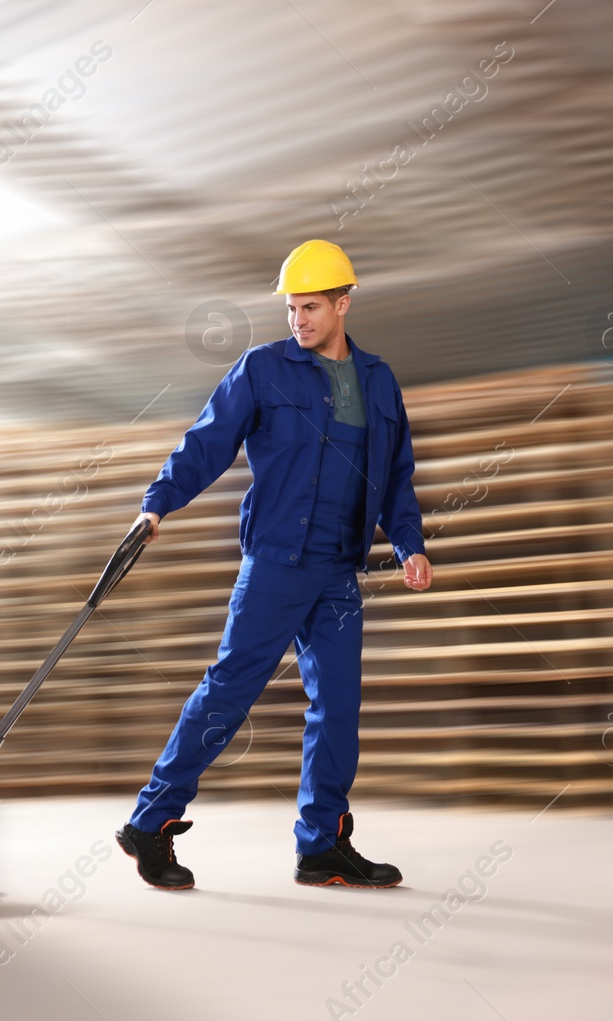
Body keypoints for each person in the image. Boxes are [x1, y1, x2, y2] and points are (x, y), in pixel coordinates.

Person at [116, 239, 431, 891]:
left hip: (339, 571)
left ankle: (322, 845)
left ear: (344, 303)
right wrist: (157, 505)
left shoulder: (377, 381)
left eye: (311, 307)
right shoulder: (263, 369)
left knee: (338, 707)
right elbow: (206, 443)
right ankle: (151, 820)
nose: (299, 320)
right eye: (292, 308)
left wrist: (409, 542)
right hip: (277, 563)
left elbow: (398, 473)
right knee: (229, 690)